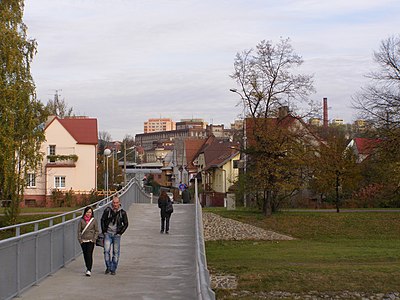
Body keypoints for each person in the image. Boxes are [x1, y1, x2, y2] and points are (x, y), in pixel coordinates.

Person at [100, 196, 128, 275]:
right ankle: (108, 267)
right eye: (114, 203)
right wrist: (104, 231)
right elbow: (102, 220)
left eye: (116, 203)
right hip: (108, 233)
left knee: (116, 252)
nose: (115, 204)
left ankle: (113, 268)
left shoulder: (122, 213)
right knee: (106, 251)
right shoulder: (107, 211)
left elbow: (126, 224)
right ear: (112, 203)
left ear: (119, 203)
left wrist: (120, 233)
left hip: (116, 234)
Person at [77, 206, 99, 277]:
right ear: (85, 213)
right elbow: (79, 231)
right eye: (87, 212)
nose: (88, 214)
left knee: (89, 254)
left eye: (90, 212)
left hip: (90, 240)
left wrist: (94, 239)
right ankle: (87, 266)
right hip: (83, 240)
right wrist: (80, 240)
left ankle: (89, 269)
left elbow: (96, 231)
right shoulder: (81, 220)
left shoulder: (94, 220)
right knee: (85, 254)